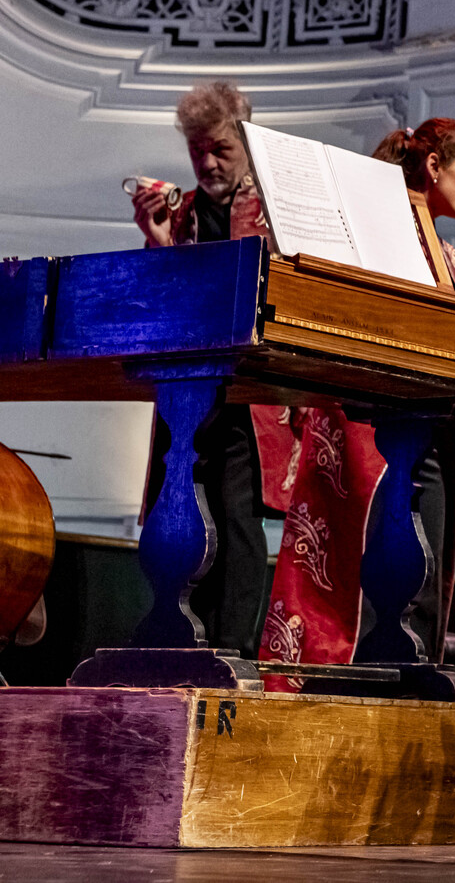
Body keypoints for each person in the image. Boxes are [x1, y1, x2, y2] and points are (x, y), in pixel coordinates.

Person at [257, 118, 455, 676]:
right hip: (364, 423)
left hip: (423, 422)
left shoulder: (447, 255)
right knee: (352, 569)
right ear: (434, 167)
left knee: (423, 560)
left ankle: (409, 677)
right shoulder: (374, 229)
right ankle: (343, 683)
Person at [131, 81, 278, 658]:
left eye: (219, 148)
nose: (208, 162)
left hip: (246, 392)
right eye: (198, 151)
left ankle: (233, 649)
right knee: (180, 506)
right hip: (189, 390)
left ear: (243, 141)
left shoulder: (271, 213)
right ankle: (177, 637)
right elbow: (155, 304)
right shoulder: (183, 212)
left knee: (237, 519)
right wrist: (157, 240)